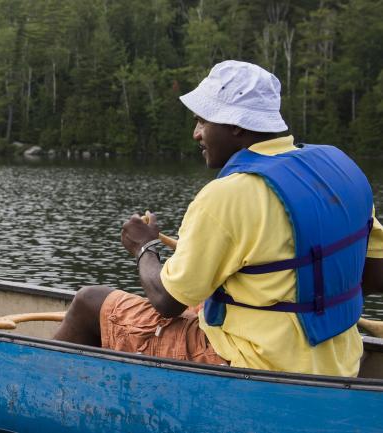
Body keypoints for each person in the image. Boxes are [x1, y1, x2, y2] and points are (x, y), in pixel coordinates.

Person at [54, 60, 383, 376]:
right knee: (200, 305)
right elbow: (374, 276)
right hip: (338, 361)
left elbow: (165, 301)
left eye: (202, 121)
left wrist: (145, 247)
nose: (197, 134)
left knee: (87, 302)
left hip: (252, 365)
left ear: (236, 125)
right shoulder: (341, 170)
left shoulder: (228, 195)